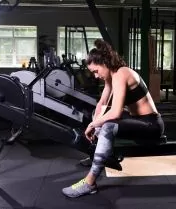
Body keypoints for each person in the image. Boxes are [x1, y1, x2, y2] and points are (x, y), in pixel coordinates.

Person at [62, 39, 165, 198]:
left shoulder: (121, 73)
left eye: (96, 71)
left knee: (108, 125)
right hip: (138, 120)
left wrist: (94, 126)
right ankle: (106, 155)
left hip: (151, 125)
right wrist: (95, 125)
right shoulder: (111, 76)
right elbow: (102, 103)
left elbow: (116, 112)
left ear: (104, 63)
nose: (95, 76)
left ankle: (90, 183)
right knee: (99, 120)